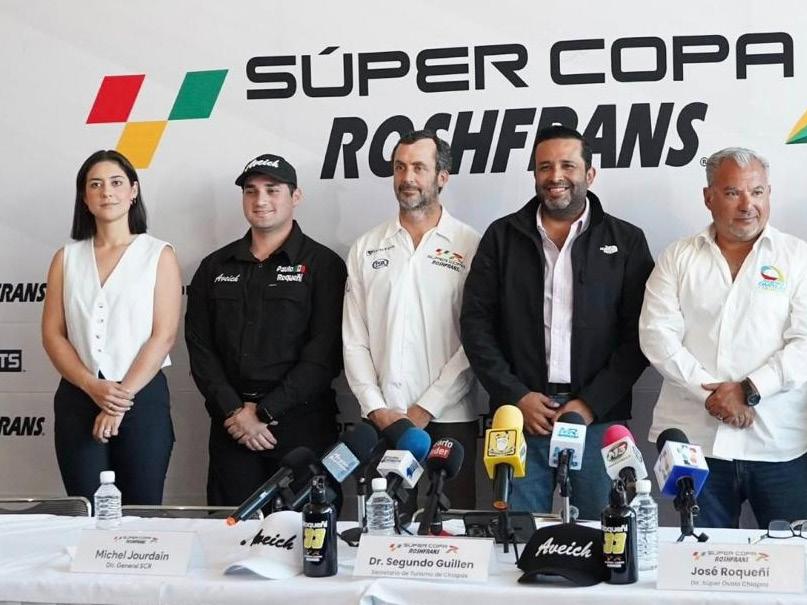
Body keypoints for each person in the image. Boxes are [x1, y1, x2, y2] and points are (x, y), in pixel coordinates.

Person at [460, 125, 653, 521]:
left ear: (590, 174)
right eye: (545, 167)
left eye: (568, 165)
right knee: (516, 537)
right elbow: (476, 325)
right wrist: (516, 395)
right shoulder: (502, 236)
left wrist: (590, 404)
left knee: (605, 532)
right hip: (520, 418)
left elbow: (640, 334)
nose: (555, 176)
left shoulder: (627, 240)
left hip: (598, 421)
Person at [639, 147, 807, 528]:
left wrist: (749, 389)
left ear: (769, 193)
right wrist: (713, 396)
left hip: (780, 446)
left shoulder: (799, 258)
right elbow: (656, 336)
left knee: (792, 556)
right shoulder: (677, 257)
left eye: (757, 192)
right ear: (708, 197)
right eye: (732, 193)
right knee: (698, 557)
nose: (748, 205)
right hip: (694, 442)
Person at [186, 154, 345, 507]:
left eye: (272, 190)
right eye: (251, 191)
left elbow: (325, 353)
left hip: (302, 426)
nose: (260, 200)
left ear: (295, 196)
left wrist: (263, 413)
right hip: (232, 429)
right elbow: (200, 348)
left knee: (310, 532)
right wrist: (234, 412)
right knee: (229, 533)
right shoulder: (214, 267)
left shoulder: (324, 265)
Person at [343, 130, 481, 509]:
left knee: (449, 530)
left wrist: (428, 406)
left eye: (419, 168)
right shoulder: (367, 247)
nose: (408, 178)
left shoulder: (471, 245)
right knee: (383, 530)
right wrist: (376, 407)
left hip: (449, 418)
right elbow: (354, 339)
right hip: (383, 421)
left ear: (442, 176)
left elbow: (476, 339)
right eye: (400, 168)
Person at [41, 150, 181, 504]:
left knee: (142, 510)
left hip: (141, 397)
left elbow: (163, 335)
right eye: (96, 185)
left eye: (116, 182)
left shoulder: (158, 254)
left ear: (133, 190)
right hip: (79, 395)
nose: (107, 192)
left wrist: (117, 401)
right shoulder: (66, 258)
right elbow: (53, 334)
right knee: (86, 509)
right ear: (84, 197)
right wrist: (92, 386)